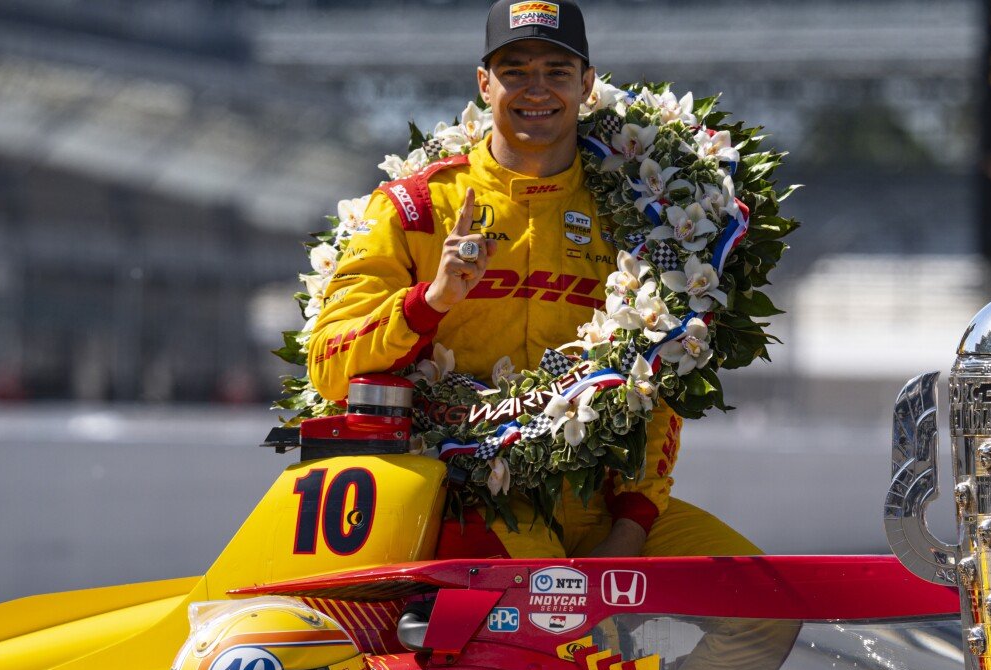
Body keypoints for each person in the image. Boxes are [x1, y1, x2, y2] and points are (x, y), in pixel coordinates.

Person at [307, 0, 760, 563]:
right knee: (550, 602)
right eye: (515, 71)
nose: (536, 90)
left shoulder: (642, 214)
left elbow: (658, 379)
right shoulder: (417, 207)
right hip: (468, 498)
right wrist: (432, 301)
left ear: (587, 84)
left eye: (557, 72)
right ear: (483, 83)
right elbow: (328, 363)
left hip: (601, 504)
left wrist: (632, 525)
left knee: (760, 612)